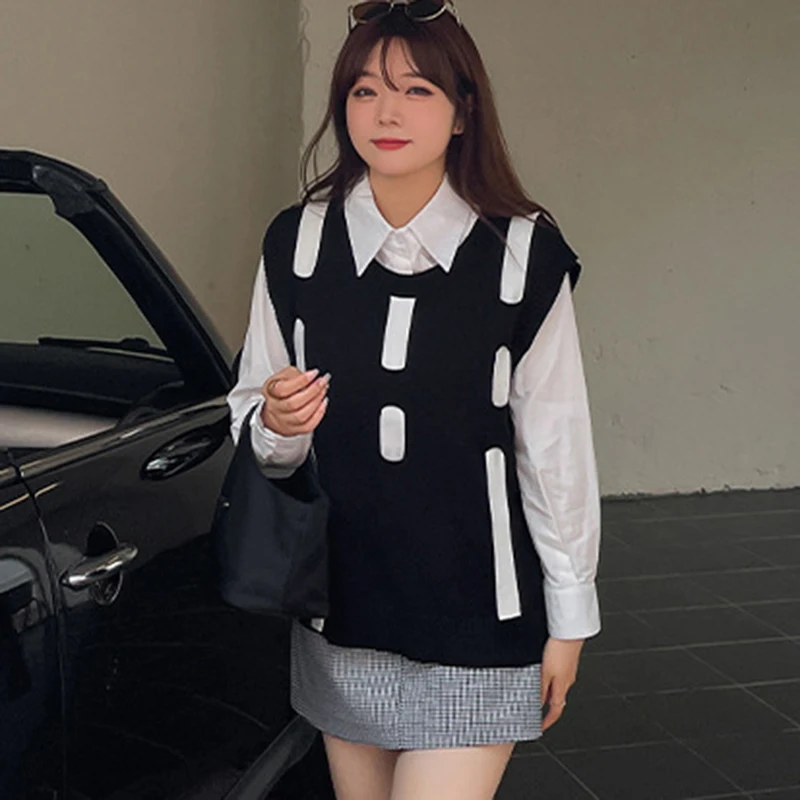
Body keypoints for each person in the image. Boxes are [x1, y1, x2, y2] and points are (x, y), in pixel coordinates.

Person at [227, 2, 601, 797]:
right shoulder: (297, 243)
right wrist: (276, 425)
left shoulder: (522, 254)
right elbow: (254, 416)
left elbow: (553, 445)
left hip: (482, 620)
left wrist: (570, 618)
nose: (386, 112)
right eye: (364, 90)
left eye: (416, 90)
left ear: (463, 111)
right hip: (344, 616)